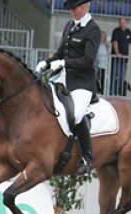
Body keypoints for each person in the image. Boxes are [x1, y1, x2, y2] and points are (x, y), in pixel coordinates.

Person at [35, 0, 101, 174]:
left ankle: (87, 159)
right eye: (71, 9)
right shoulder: (70, 25)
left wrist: (64, 63)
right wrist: (47, 62)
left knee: (78, 114)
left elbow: (88, 60)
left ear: (85, 6)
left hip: (82, 82)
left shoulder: (92, 29)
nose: (72, 11)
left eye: (75, 8)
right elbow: (60, 52)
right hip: (62, 78)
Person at [111, 17, 131, 95]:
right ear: (119, 23)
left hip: (124, 60)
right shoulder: (116, 31)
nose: (122, 24)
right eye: (120, 23)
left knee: (122, 78)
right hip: (116, 59)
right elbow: (114, 42)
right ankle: (112, 93)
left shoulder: (128, 32)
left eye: (123, 22)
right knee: (114, 76)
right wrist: (117, 53)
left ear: (126, 23)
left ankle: (120, 92)